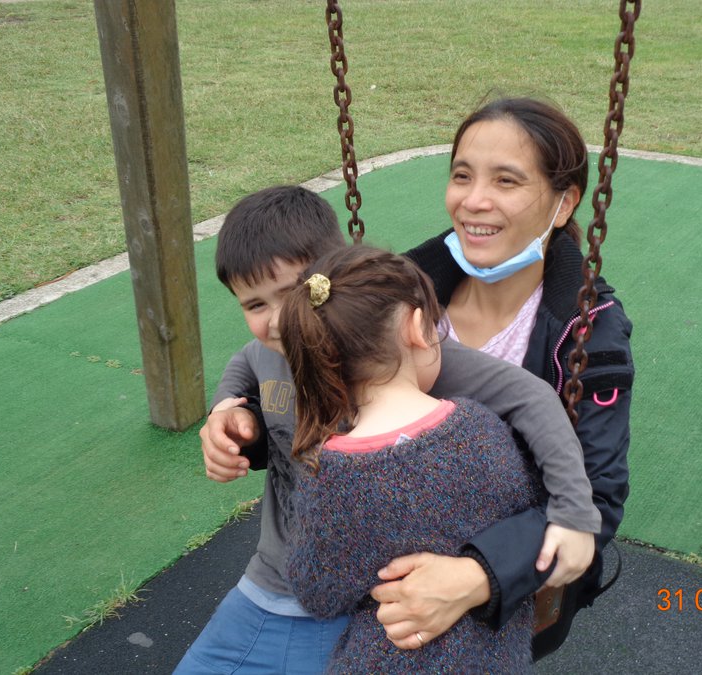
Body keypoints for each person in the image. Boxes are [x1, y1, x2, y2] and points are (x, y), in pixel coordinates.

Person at [177, 185, 599, 674]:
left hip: (364, 601)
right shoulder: (266, 352)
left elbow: (532, 398)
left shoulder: (400, 359)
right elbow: (244, 362)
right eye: (253, 305)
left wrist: (572, 511)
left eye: (292, 295)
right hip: (268, 580)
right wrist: (227, 407)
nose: (277, 322)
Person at [403, 96, 634, 654]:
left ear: (562, 204)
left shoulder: (586, 334)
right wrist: (247, 424)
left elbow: (596, 500)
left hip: (504, 584)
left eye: (507, 181)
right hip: (396, 560)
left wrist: (476, 577)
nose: (473, 201)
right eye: (462, 176)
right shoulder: (401, 295)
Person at [281, 245, 544, 672]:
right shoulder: (478, 428)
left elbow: (316, 592)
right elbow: (532, 510)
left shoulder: (329, 471)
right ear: (418, 326)